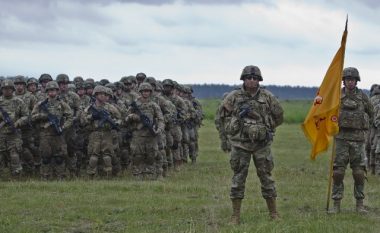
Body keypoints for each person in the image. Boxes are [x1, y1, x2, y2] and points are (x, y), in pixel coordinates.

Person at [223, 65, 284, 223]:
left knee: (267, 178)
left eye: (255, 78)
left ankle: (274, 213)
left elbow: (279, 116)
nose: (251, 81)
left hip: (261, 145)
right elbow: (223, 116)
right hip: (240, 145)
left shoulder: (267, 96)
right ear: (243, 79)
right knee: (238, 180)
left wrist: (265, 127)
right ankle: (235, 216)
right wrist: (233, 128)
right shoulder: (233, 96)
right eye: (249, 78)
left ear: (259, 80)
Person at [330, 67, 373, 214]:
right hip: (341, 138)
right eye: (348, 79)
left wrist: (365, 128)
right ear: (344, 81)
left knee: (359, 172)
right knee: (338, 172)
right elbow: (328, 114)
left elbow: (371, 113)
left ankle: (359, 204)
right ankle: (336, 204)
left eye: (353, 80)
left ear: (356, 81)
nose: (350, 82)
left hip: (358, 140)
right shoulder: (336, 96)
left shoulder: (363, 97)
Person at [31, 81, 73, 180]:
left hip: (58, 135)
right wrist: (43, 116)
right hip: (45, 135)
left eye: (54, 90)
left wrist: (63, 127)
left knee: (59, 158)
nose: (52, 92)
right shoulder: (41, 104)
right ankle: (45, 178)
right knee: (45, 158)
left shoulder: (62, 104)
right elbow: (32, 117)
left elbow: (70, 117)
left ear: (57, 91)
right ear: (47, 91)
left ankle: (60, 178)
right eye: (50, 90)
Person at [125, 83, 164, 180]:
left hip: (151, 134)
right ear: (141, 92)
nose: (145, 93)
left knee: (151, 155)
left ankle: (150, 173)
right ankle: (137, 174)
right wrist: (133, 117)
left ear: (150, 92)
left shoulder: (154, 105)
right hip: (138, 134)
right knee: (137, 155)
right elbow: (126, 118)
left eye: (147, 91)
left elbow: (160, 119)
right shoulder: (135, 104)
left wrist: (158, 129)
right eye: (144, 91)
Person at [0, 79, 28, 178]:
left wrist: (17, 123)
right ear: (2, 90)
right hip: (1, 134)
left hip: (14, 134)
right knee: (1, 156)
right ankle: (3, 178)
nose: (7, 91)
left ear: (12, 89)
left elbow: (26, 116)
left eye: (9, 89)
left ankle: (17, 177)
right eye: (4, 89)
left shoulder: (19, 101)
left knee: (14, 156)